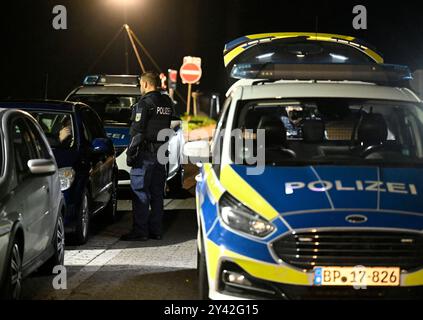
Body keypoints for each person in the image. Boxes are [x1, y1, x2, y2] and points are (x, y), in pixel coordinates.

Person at [121, 72, 174, 241]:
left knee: (140, 191)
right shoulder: (166, 102)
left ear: (145, 84)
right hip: (161, 153)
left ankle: (140, 232)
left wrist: (130, 154)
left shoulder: (145, 104)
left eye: (140, 85)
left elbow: (137, 133)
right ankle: (156, 231)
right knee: (157, 193)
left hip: (145, 154)